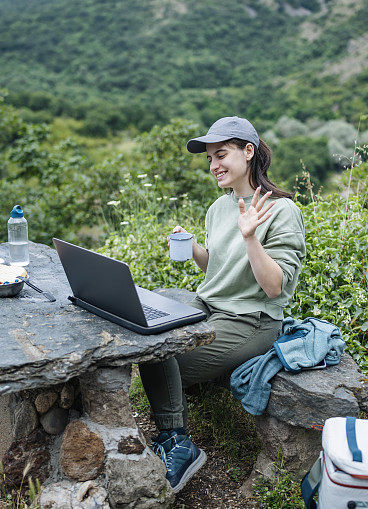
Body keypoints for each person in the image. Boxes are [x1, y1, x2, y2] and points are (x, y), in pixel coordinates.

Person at [139, 116, 306, 492]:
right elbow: (217, 264)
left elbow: (275, 287)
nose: (214, 165)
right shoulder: (219, 207)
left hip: (253, 320)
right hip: (209, 305)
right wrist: (193, 246)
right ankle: (175, 430)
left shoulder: (281, 211)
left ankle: (177, 442)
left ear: (248, 152)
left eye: (221, 154)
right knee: (145, 329)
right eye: (210, 158)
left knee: (165, 356)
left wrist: (251, 237)